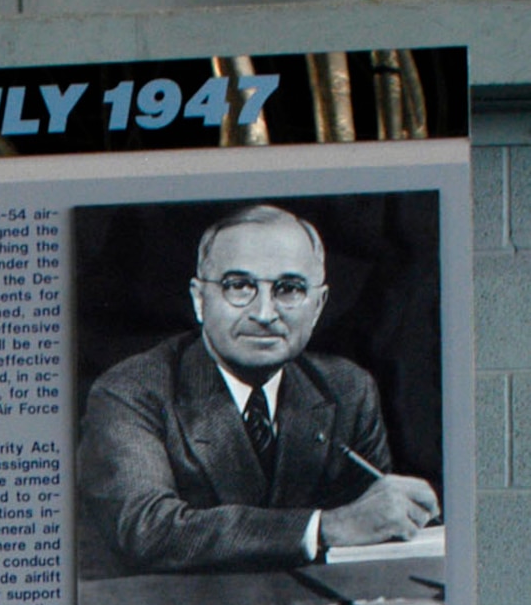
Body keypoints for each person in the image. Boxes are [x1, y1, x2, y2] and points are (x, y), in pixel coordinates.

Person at [77, 204, 440, 578]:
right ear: (199, 300)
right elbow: (148, 530)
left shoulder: (348, 390)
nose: (265, 313)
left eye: (289, 289)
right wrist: (325, 527)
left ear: (318, 306)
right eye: (238, 286)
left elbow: (373, 533)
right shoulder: (129, 392)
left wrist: (395, 514)